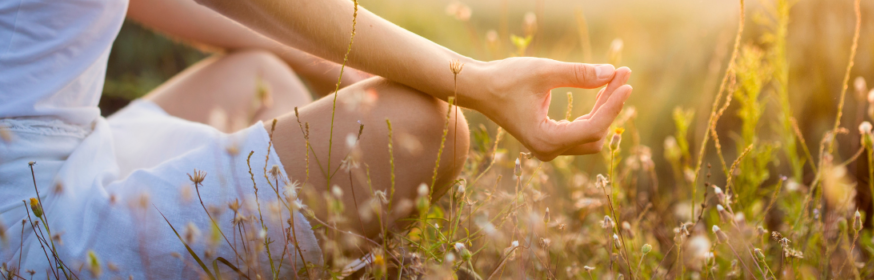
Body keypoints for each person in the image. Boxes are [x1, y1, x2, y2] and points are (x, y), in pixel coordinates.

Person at [0, 0, 632, 278]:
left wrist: (334, 66)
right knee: (421, 129)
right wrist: (478, 82)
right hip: (25, 227)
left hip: (68, 150)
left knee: (260, 76)